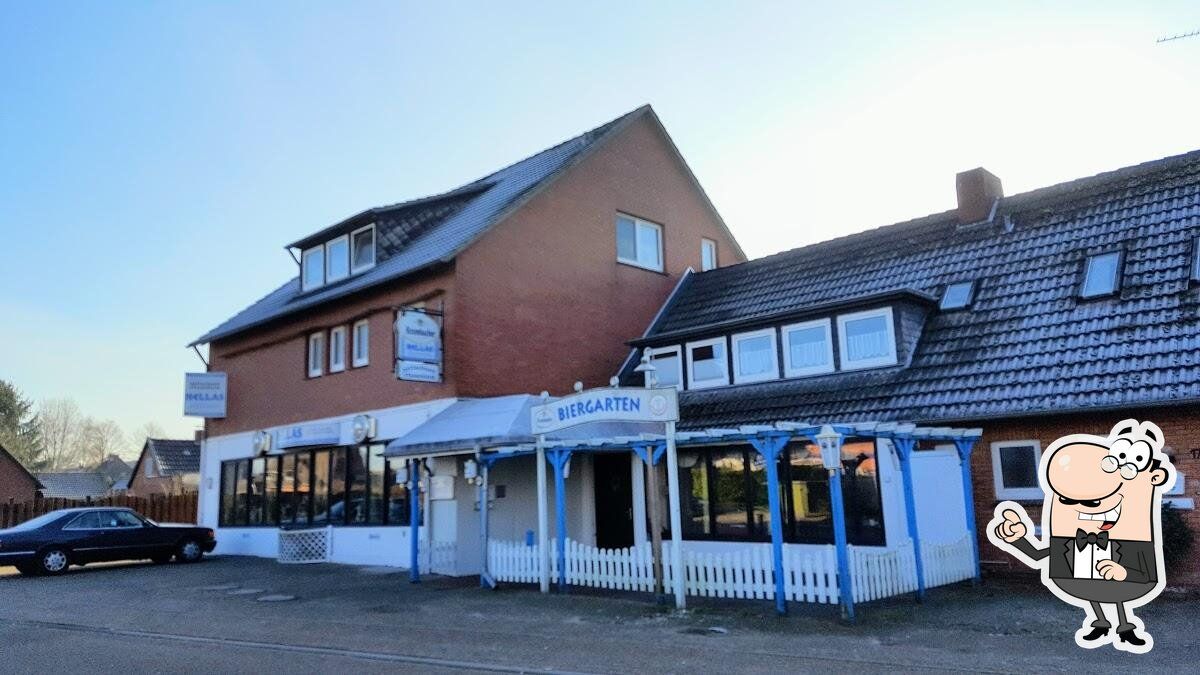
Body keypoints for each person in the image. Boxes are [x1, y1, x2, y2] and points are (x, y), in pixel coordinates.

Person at [987, 419, 1175, 654]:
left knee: (1116, 593)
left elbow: (1144, 575)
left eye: (1094, 502)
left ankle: (1125, 627)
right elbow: (1037, 555)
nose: (1085, 508)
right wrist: (1017, 539)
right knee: (1092, 590)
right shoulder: (1069, 540)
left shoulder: (1133, 540)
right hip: (1082, 581)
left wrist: (1123, 572)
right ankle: (1101, 623)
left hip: (1121, 583)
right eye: (1067, 500)